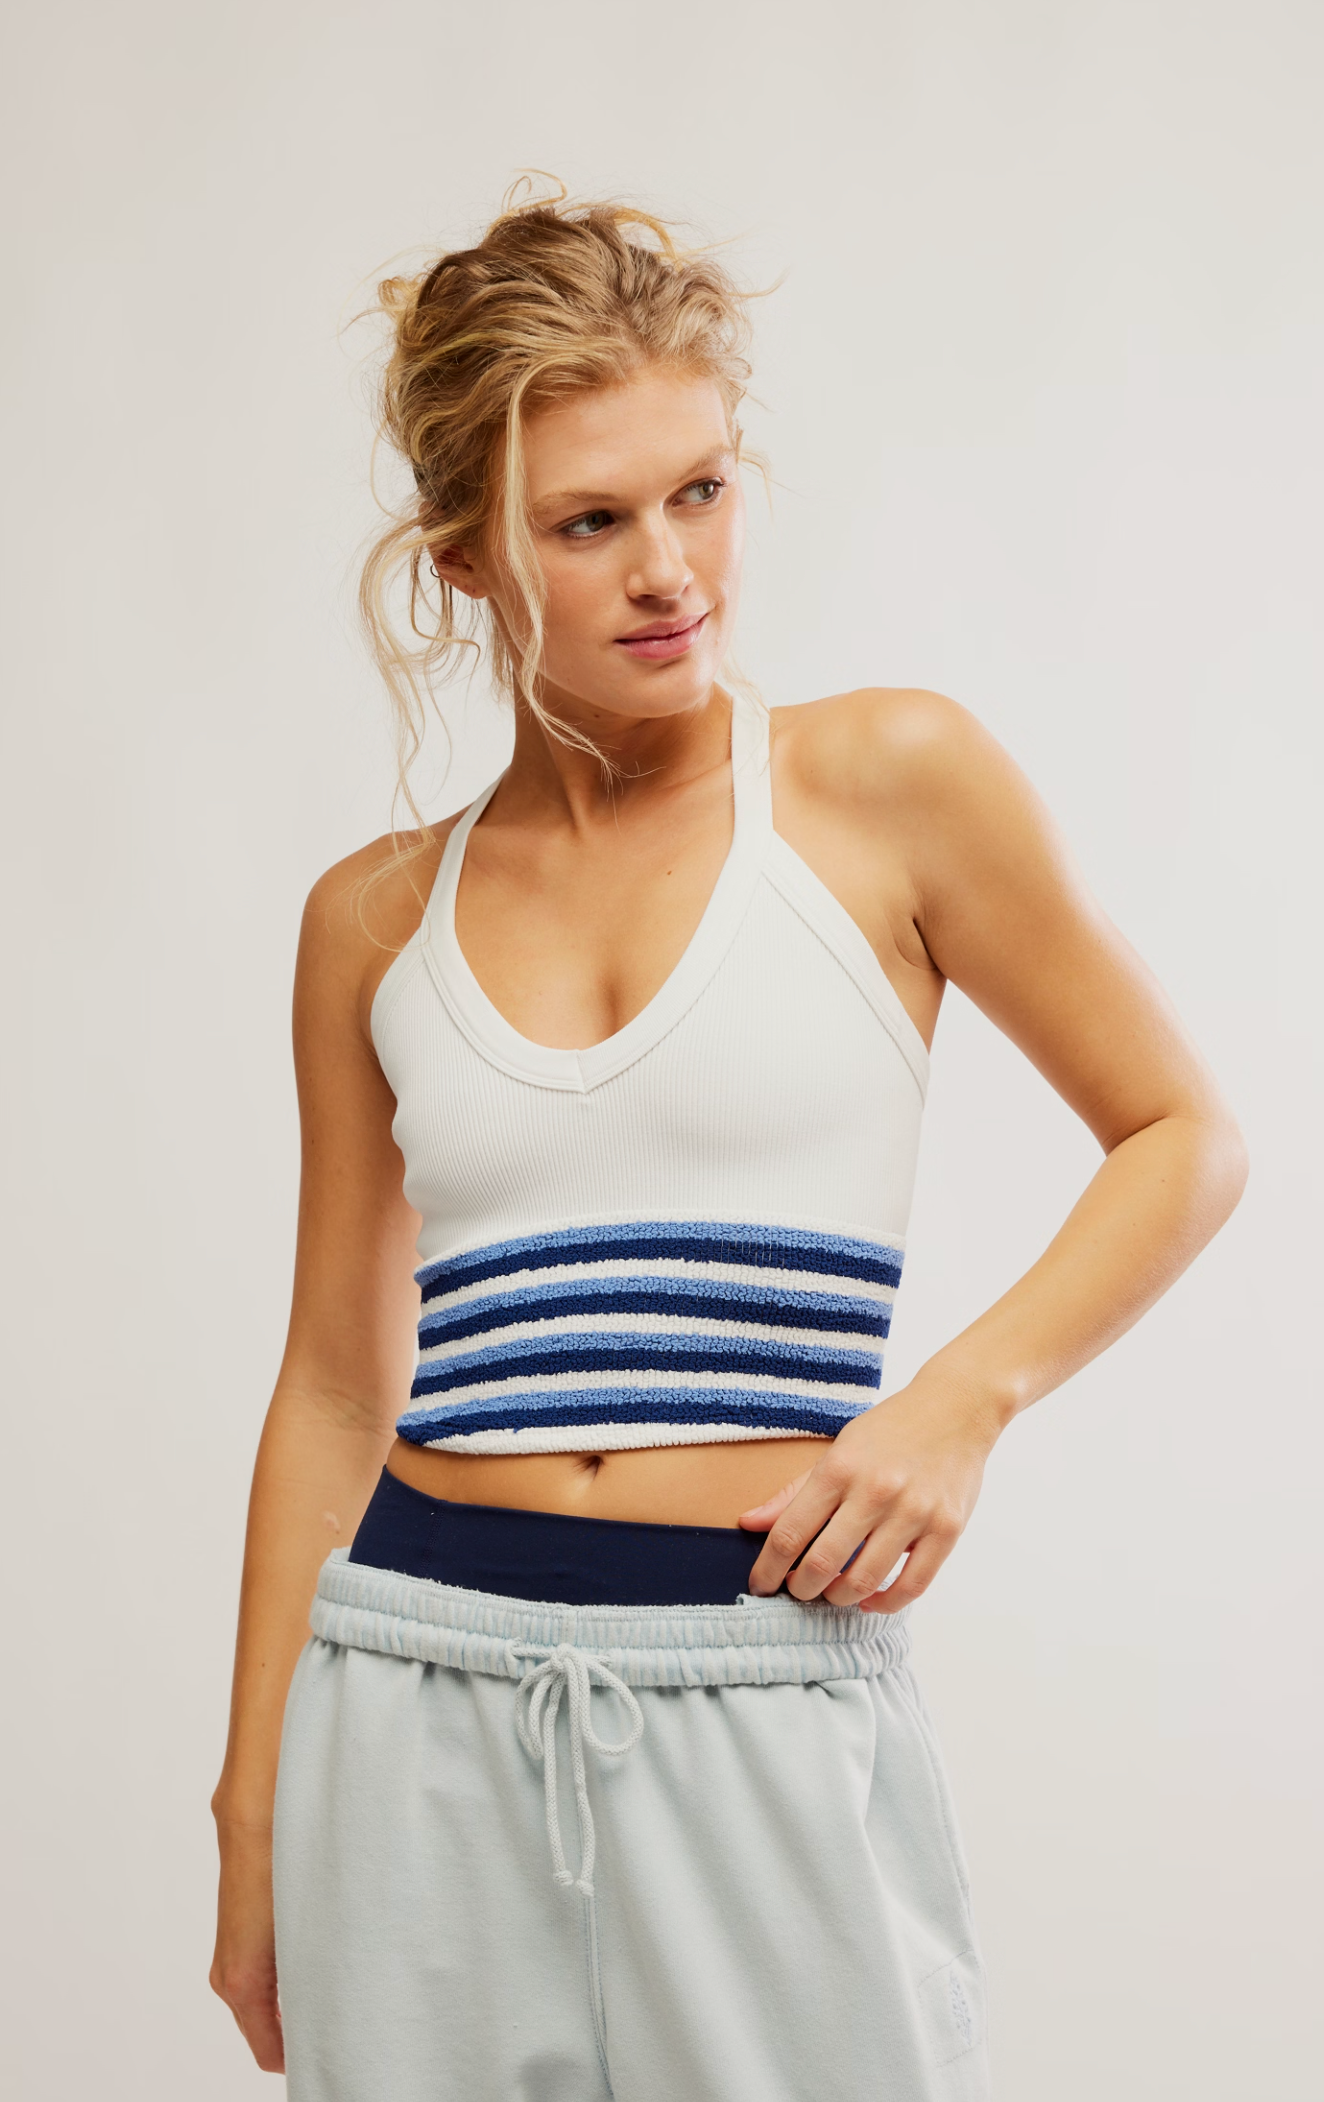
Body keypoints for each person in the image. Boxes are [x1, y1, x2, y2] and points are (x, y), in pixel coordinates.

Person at [209, 189, 1247, 2102]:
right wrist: (250, 1796)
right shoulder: (370, 918)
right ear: (466, 558)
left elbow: (1182, 1131)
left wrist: (962, 1403)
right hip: (413, 1684)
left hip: (763, 1669)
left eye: (699, 490)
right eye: (588, 522)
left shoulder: (886, 786)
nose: (668, 568)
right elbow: (337, 1382)